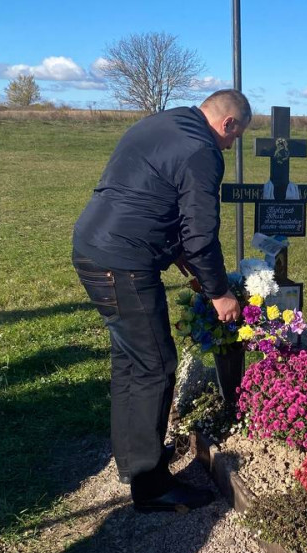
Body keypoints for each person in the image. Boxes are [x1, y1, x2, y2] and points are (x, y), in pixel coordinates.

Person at [72, 89, 251, 512]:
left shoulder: (165, 122)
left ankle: (133, 461)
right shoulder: (203, 150)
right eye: (235, 137)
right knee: (156, 365)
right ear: (227, 124)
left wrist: (179, 254)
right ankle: (151, 487)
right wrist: (220, 293)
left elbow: (151, 194)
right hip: (123, 261)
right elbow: (201, 233)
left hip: (93, 245)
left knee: (131, 360)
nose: (231, 145)